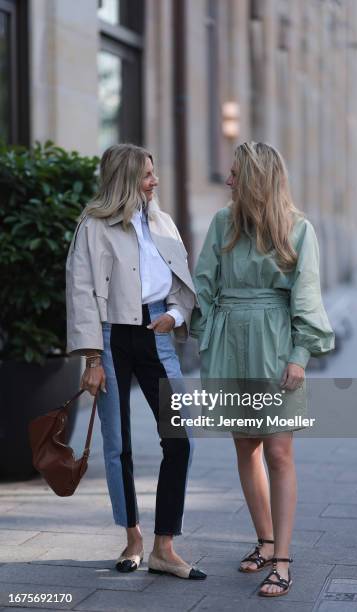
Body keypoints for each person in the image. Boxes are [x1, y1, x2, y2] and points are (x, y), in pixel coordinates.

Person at [191, 142, 334, 597]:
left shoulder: (298, 229)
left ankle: (284, 559)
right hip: (232, 343)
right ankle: (265, 541)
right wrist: (201, 334)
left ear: (255, 180)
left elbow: (306, 296)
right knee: (246, 447)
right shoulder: (222, 224)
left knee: (279, 452)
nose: (227, 180)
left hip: (275, 344)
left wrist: (300, 356)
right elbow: (203, 286)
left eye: (235, 174)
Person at [66, 143, 206, 580]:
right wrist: (92, 357)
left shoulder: (164, 223)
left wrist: (176, 316)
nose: (155, 180)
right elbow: (81, 292)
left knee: (179, 438)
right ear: (127, 179)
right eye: (147, 174)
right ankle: (133, 538)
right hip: (109, 338)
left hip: (156, 332)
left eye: (155, 172)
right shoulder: (93, 226)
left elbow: (184, 284)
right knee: (118, 444)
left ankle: (165, 547)